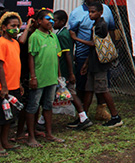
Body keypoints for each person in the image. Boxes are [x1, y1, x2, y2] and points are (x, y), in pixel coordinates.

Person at [68, 0, 116, 119]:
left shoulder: (104, 11)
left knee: (102, 85)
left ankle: (102, 110)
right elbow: (72, 32)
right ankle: (82, 112)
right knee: (84, 85)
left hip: (100, 56)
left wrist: (110, 51)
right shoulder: (76, 13)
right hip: (84, 55)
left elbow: (111, 30)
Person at [79, 3, 123, 128]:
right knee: (89, 89)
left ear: (100, 12)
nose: (90, 14)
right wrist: (86, 63)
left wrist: (76, 38)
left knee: (103, 90)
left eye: (93, 12)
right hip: (93, 63)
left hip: (100, 65)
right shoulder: (95, 24)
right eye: (89, 12)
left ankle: (115, 116)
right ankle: (83, 117)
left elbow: (94, 44)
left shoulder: (101, 26)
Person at [26, 9, 64, 147]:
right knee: (33, 107)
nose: (51, 22)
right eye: (48, 19)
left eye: (53, 19)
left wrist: (59, 76)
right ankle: (31, 136)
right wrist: (33, 77)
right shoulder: (35, 37)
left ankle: (49, 134)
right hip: (39, 78)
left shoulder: (53, 36)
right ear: (39, 21)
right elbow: (31, 57)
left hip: (51, 78)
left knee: (48, 106)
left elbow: (57, 57)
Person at [54, 10, 92, 131]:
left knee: (71, 93)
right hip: (64, 70)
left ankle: (83, 117)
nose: (52, 23)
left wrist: (70, 73)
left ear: (62, 22)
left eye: (54, 21)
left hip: (65, 71)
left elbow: (68, 55)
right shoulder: (61, 33)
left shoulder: (62, 35)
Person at [0, 12, 23, 155]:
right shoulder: (1, 42)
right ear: (3, 27)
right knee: (0, 117)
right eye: (12, 26)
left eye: (17, 26)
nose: (15, 29)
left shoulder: (15, 43)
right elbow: (0, 65)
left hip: (14, 86)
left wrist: (19, 83)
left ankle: (5, 141)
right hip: (4, 88)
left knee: (9, 117)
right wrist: (4, 86)